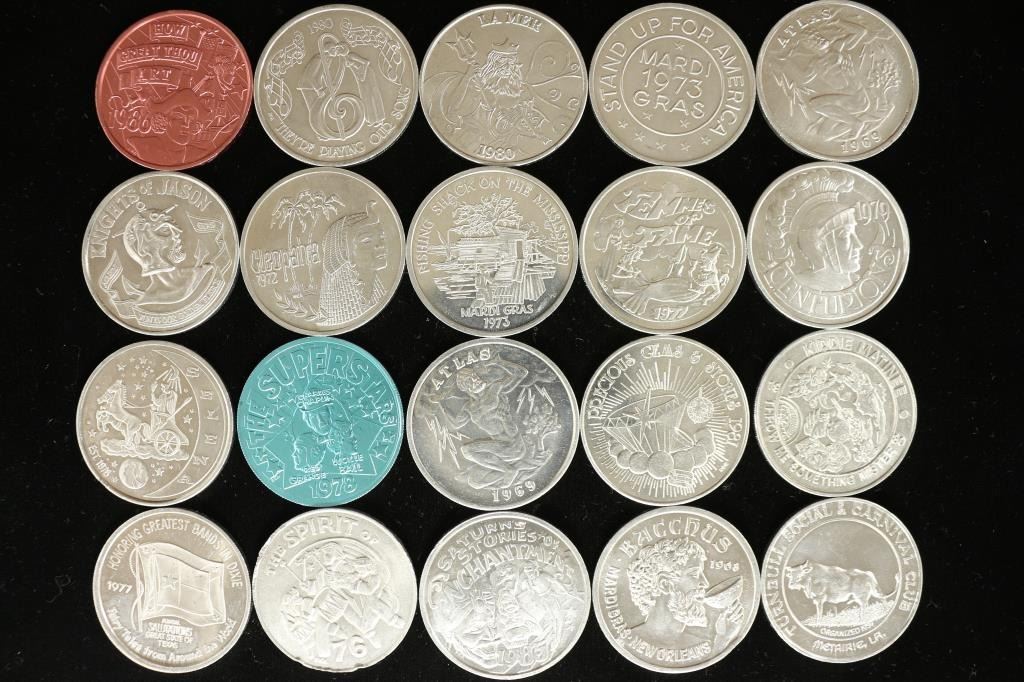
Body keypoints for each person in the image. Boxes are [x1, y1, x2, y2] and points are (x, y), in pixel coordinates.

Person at [626, 537, 743, 654]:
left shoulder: (701, 643)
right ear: (665, 584)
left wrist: (723, 639)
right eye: (694, 574)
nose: (705, 583)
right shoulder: (626, 642)